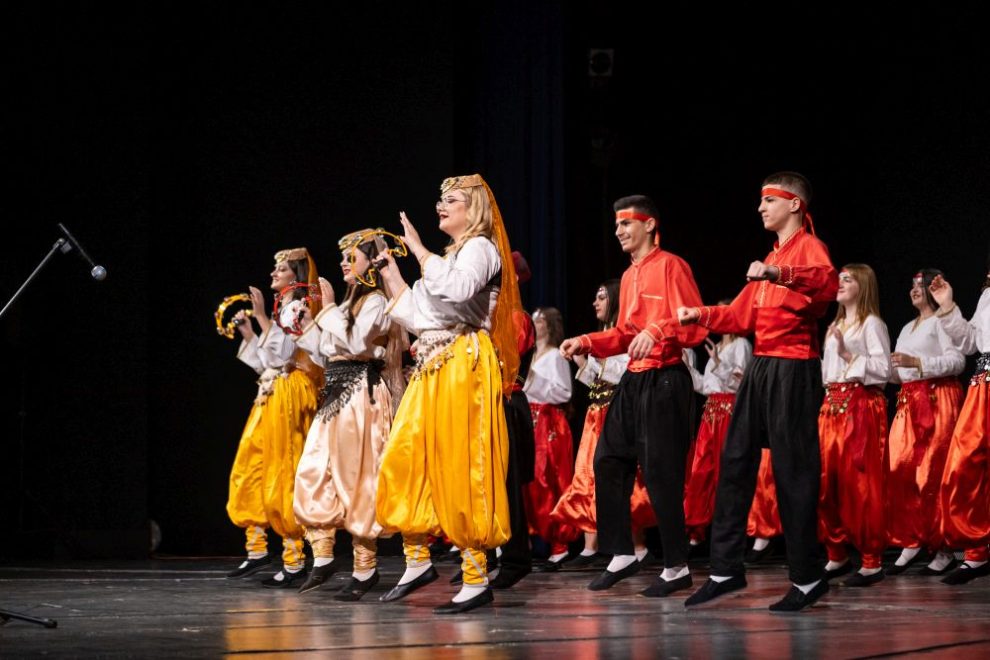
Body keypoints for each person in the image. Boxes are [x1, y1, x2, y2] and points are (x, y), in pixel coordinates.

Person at [678, 171, 838, 612]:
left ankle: (808, 576)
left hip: (794, 365)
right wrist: (700, 314)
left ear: (794, 204)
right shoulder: (770, 256)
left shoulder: (809, 248)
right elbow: (740, 316)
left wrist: (777, 272)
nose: (761, 208)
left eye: (769, 200)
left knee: (793, 471)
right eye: (761, 201)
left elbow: (826, 284)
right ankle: (725, 569)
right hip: (762, 366)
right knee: (734, 462)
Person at [375, 174, 522, 614]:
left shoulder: (481, 248)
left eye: (451, 199)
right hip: (433, 362)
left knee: (463, 464)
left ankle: (475, 577)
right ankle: (417, 559)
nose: (441, 205)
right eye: (440, 199)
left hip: (463, 362)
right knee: (405, 456)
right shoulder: (451, 256)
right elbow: (420, 317)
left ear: (472, 207)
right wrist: (391, 273)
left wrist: (420, 251)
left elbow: (458, 290)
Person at [560, 194, 707, 597]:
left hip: (666, 378)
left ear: (649, 224)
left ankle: (676, 565)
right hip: (634, 379)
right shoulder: (628, 276)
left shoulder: (672, 266)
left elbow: (696, 325)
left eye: (626, 223)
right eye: (616, 225)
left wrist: (658, 331)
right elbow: (625, 334)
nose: (619, 231)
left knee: (661, 473)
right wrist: (586, 341)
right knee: (607, 460)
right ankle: (622, 552)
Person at [290, 230, 406, 600]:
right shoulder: (343, 307)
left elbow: (356, 343)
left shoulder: (376, 302)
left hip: (360, 394)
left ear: (370, 264)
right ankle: (323, 556)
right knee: (313, 470)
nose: (343, 263)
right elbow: (326, 353)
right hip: (335, 393)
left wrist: (326, 310)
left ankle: (364, 568)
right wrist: (308, 326)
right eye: (342, 257)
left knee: (359, 480)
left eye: (350, 257)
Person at [226, 248, 323, 588]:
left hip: (290, 394)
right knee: (252, 465)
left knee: (284, 470)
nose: (273, 273)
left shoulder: (298, 307)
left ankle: (294, 559)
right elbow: (268, 362)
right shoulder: (284, 307)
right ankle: (257, 548)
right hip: (271, 393)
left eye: (281, 269)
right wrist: (251, 332)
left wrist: (261, 317)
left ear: (295, 274)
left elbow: (283, 354)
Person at [550, 280, 653, 568]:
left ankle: (638, 547)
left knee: (626, 478)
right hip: (596, 413)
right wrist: (583, 363)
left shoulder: (623, 334)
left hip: (616, 412)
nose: (595, 303)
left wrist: (590, 361)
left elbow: (623, 373)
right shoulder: (603, 333)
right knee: (587, 476)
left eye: (602, 297)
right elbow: (598, 379)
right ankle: (590, 546)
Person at [886, 269, 964, 576]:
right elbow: (899, 372)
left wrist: (917, 363)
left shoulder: (941, 321)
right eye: (912, 285)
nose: (914, 290)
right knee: (901, 471)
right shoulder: (907, 327)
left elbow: (957, 361)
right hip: (908, 402)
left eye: (921, 285)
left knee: (932, 473)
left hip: (936, 399)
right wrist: (888, 368)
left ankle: (944, 547)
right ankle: (913, 538)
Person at [817, 264, 891, 586]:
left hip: (859, 405)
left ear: (863, 285)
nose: (841, 283)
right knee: (825, 483)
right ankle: (837, 554)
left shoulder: (871, 323)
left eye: (848, 279)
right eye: (840, 279)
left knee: (860, 484)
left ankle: (871, 561)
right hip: (831, 407)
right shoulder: (834, 324)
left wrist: (849, 356)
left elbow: (884, 370)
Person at [929, 260, 990, 584]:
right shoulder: (987, 295)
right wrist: (948, 306)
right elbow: (970, 343)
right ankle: (977, 553)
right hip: (983, 385)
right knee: (965, 465)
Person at [682, 302, 753, 546]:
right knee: (702, 471)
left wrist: (719, 362)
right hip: (710, 413)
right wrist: (688, 368)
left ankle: (731, 534)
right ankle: (697, 531)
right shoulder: (718, 346)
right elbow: (705, 386)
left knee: (726, 472)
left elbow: (741, 382)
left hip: (729, 411)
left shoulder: (741, 344)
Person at [523, 307, 575, 569]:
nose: (535, 323)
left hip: (549, 423)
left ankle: (560, 545)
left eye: (540, 320)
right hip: (531, 422)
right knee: (531, 485)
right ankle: (534, 542)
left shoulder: (555, 355)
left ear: (550, 325)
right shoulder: (532, 355)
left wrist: (533, 379)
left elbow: (564, 392)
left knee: (551, 480)